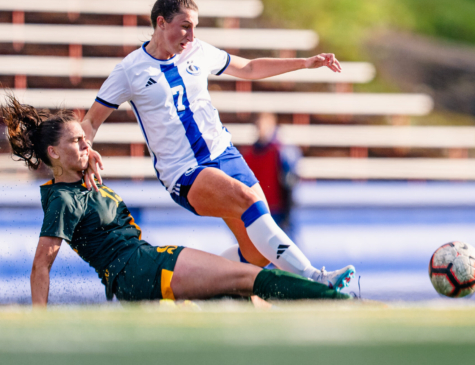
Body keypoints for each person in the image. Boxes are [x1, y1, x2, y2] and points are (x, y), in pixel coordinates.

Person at [81, 0, 355, 292]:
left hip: (224, 153)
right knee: (249, 202)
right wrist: (84, 153)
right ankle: (316, 278)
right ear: (161, 22)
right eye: (185, 26)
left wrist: (305, 63)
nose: (191, 34)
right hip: (184, 171)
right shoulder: (131, 69)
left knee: (255, 252)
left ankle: (211, 289)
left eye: (195, 26)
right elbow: (91, 120)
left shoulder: (197, 51)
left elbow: (248, 68)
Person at [1, 95, 353, 306]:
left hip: (140, 268)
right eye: (77, 141)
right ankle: (331, 298)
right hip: (139, 269)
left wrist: (83, 159)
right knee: (247, 277)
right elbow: (40, 266)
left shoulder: (78, 182)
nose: (86, 145)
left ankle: (313, 313)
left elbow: (79, 177)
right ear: (53, 153)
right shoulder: (62, 198)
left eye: (85, 139)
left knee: (237, 292)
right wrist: (39, 318)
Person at [241, 112, 301, 234]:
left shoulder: (281, 151)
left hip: (276, 209)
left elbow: (289, 183)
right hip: (257, 208)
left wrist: (287, 213)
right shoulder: (248, 154)